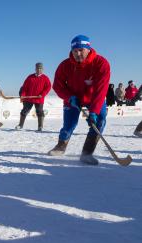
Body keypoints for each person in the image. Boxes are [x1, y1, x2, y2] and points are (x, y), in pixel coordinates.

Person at [47, 35, 110, 165]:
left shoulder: (101, 63)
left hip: (94, 98)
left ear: (88, 49)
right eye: (75, 51)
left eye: (81, 50)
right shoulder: (65, 65)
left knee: (99, 121)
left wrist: (94, 111)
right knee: (69, 124)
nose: (78, 53)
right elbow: (57, 86)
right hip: (73, 98)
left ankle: (87, 153)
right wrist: (69, 97)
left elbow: (101, 90)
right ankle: (61, 146)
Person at [15, 62, 51, 131]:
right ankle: (20, 125)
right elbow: (24, 87)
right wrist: (23, 95)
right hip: (29, 98)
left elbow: (48, 87)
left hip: (39, 99)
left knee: (39, 112)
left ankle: (40, 126)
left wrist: (42, 94)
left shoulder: (45, 78)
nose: (39, 70)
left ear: (43, 69)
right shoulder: (30, 77)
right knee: (24, 111)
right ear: (35, 69)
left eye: (40, 68)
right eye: (38, 68)